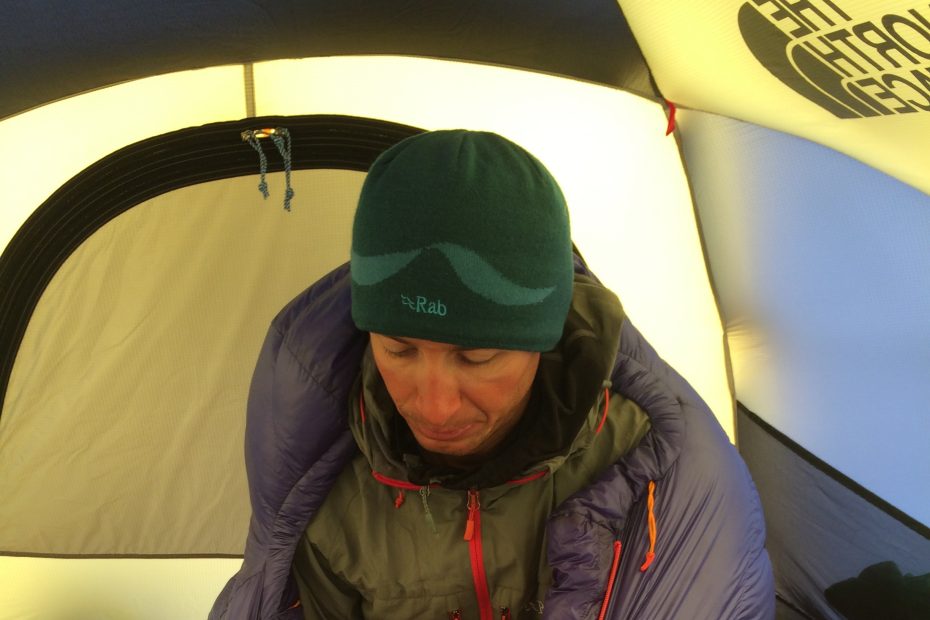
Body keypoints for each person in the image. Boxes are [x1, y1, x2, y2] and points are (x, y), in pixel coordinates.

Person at [210, 130, 774, 619]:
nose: (433, 408)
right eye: (399, 350)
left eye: (476, 359)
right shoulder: (326, 481)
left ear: (544, 338)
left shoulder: (650, 464)